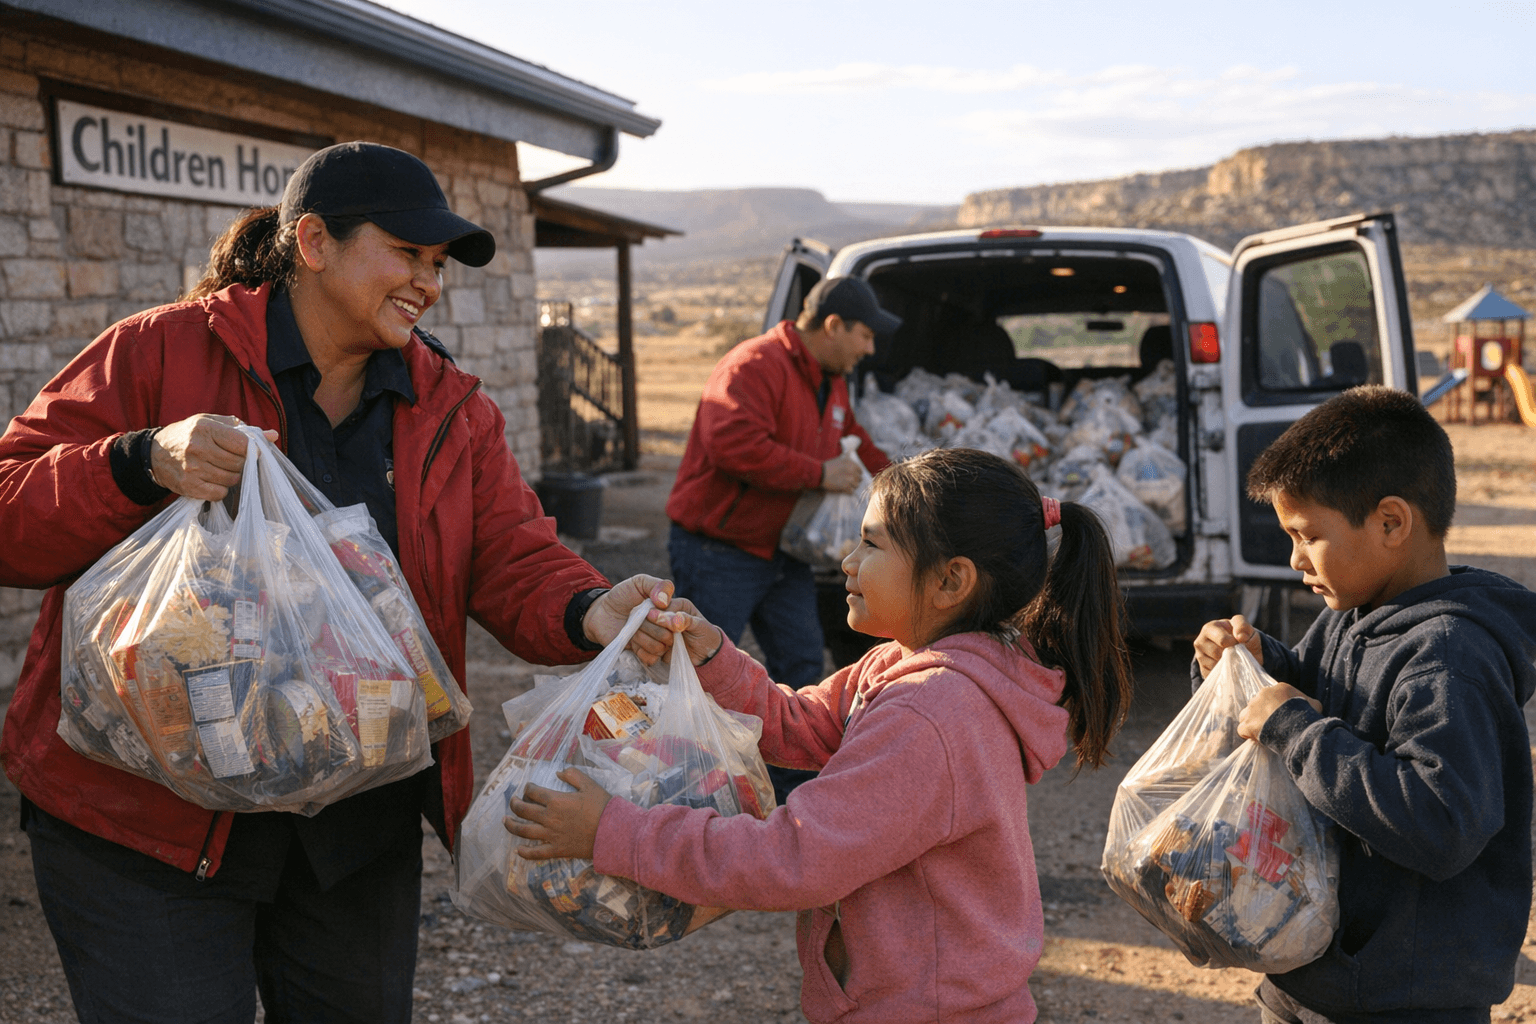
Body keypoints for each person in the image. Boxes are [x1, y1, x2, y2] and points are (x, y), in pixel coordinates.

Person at [0, 141, 675, 1024]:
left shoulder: (451, 408)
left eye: (437, 265)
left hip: (354, 830)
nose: (428, 283)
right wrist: (138, 461)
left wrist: (590, 607)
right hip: (149, 821)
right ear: (313, 242)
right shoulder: (159, 353)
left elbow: (513, 554)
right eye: (407, 253)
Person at [512, 447, 1135, 1023]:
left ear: (951, 581)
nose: (848, 561)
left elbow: (794, 860)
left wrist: (615, 832)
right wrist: (712, 660)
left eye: (871, 544)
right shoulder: (907, 663)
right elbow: (801, 725)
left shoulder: (933, 714)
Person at [1191, 386, 1536, 1024]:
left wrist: (1294, 730)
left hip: (1401, 996)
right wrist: (1253, 663)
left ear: (1390, 523)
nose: (1294, 559)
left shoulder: (1449, 659)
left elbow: (1443, 822)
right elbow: (1313, 689)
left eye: (1307, 535)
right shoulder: (1351, 615)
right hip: (1311, 972)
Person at [665, 275, 897, 800]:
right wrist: (818, 473)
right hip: (719, 551)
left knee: (799, 671)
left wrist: (911, 482)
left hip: (782, 552)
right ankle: (686, 797)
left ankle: (793, 803)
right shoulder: (754, 365)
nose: (870, 348)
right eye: (865, 335)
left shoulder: (830, 377)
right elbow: (731, 443)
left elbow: (853, 444)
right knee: (697, 676)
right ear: (833, 325)